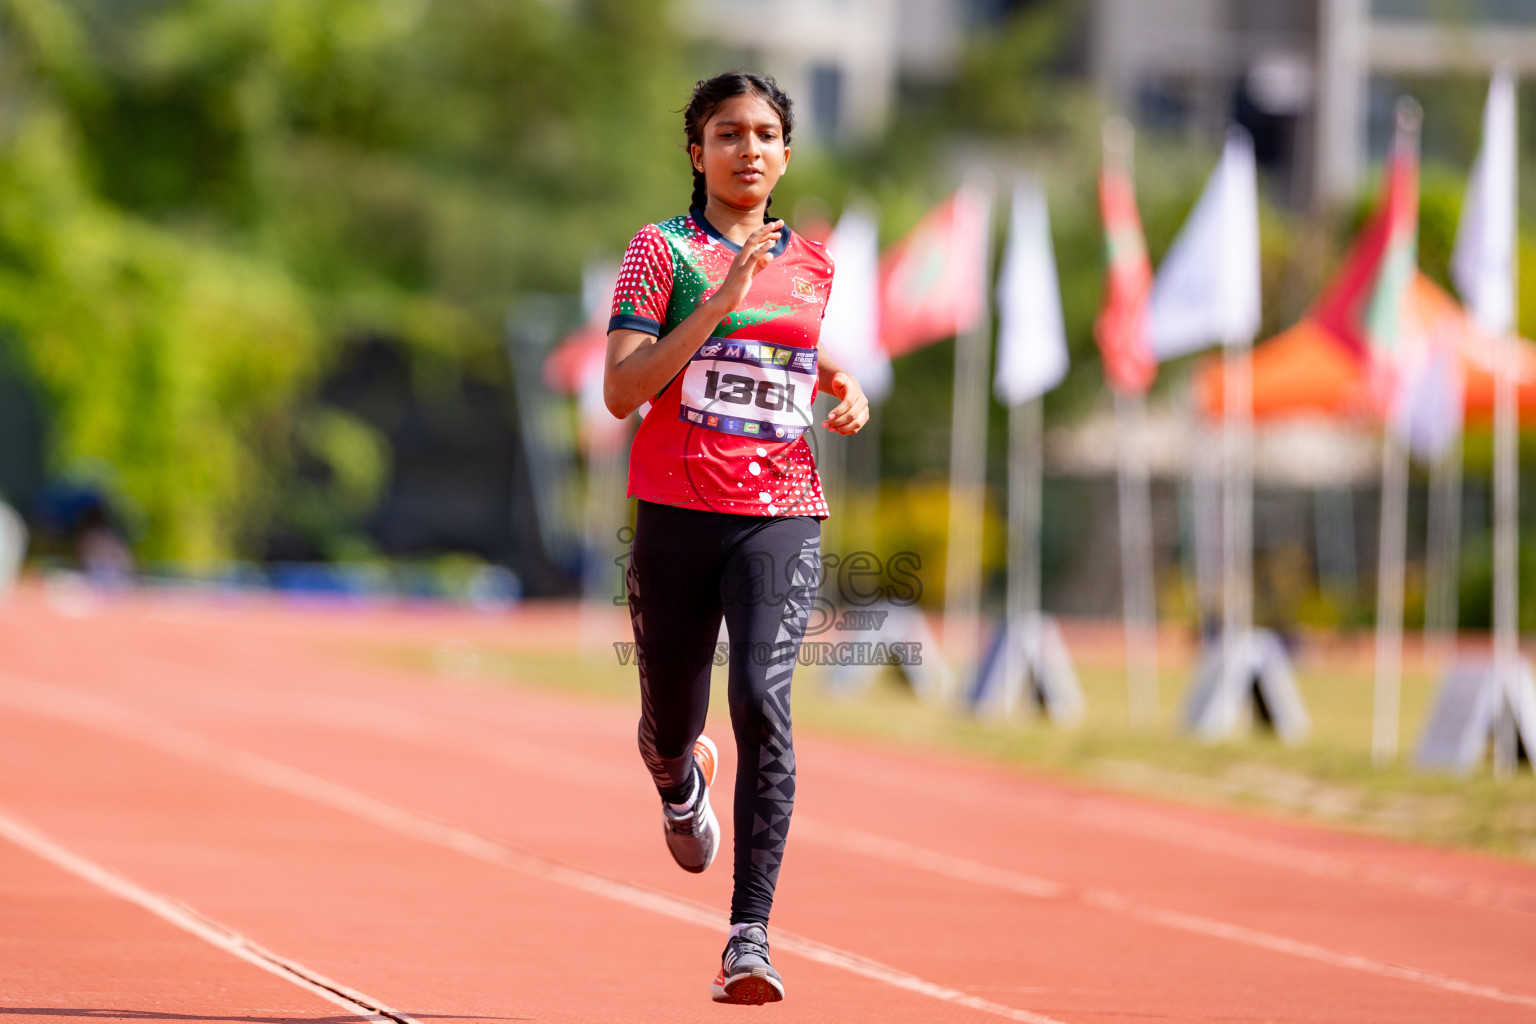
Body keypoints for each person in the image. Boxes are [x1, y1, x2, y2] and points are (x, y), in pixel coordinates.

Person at [603, 71, 869, 1005]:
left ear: (786, 154)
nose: (747, 149)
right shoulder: (659, 252)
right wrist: (720, 297)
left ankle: (747, 936)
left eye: (764, 134)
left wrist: (842, 379)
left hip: (780, 511)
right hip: (676, 514)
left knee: (762, 697)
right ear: (697, 153)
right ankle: (680, 778)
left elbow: (785, 344)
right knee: (672, 723)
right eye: (727, 133)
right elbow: (624, 391)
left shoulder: (816, 262)